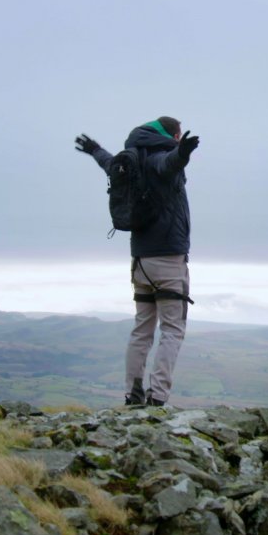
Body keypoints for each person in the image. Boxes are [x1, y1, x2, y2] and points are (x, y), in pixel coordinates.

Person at [75, 118, 200, 407]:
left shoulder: (130, 159)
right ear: (174, 135)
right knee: (172, 328)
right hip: (168, 259)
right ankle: (157, 398)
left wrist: (94, 149)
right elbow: (168, 164)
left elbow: (109, 163)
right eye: (178, 137)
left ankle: (133, 395)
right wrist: (183, 155)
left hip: (140, 261)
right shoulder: (160, 157)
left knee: (142, 328)